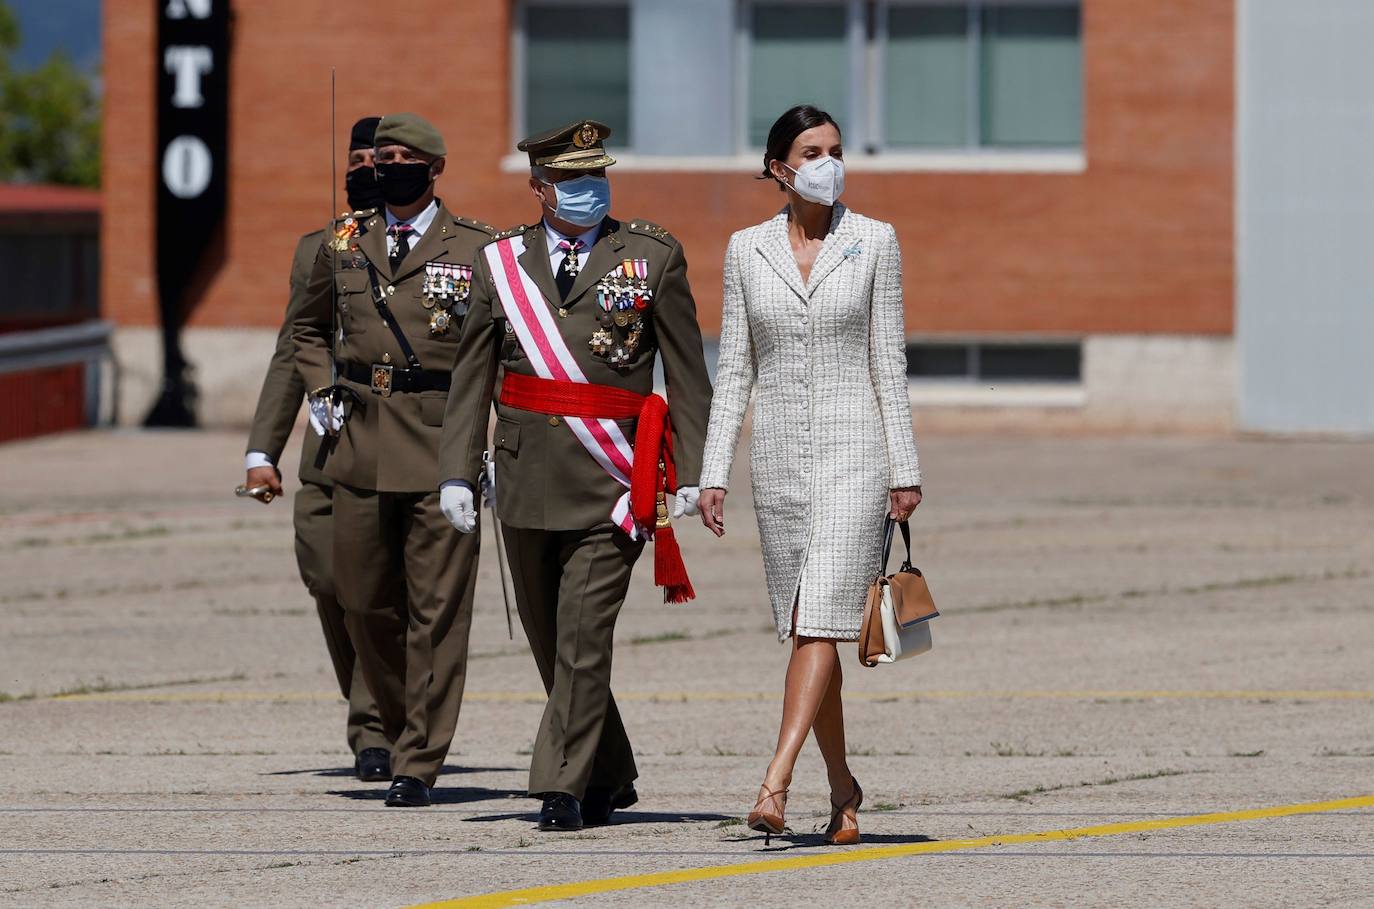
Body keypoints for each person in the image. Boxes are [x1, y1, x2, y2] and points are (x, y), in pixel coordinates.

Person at [438, 120, 713, 832]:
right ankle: (610, 770)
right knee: (551, 644)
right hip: (527, 480)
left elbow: (687, 375)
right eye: (569, 181)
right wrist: (456, 474)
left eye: (596, 177)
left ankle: (560, 786)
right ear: (538, 187)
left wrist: (694, 470)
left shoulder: (651, 256)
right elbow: (472, 379)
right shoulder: (499, 262)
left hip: (612, 483)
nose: (587, 191)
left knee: (582, 635)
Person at [697, 105, 923, 845]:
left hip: (857, 454)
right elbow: (733, 368)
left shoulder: (875, 240)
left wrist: (904, 467)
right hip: (781, 462)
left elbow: (888, 361)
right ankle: (844, 789)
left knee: (821, 611)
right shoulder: (745, 249)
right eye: (810, 151)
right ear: (778, 168)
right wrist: (712, 472)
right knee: (808, 626)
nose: (827, 161)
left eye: (834, 148)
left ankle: (775, 779)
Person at [292, 112, 496, 808]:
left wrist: (495, 444)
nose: (390, 167)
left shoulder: (478, 248)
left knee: (437, 612)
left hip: (442, 440)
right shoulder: (345, 240)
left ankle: (418, 757)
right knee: (361, 599)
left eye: (406, 157)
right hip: (359, 442)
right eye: (383, 156)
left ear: (435, 168)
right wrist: (320, 386)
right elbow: (307, 325)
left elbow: (505, 348)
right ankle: (405, 713)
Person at [242, 115, 391, 782]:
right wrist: (261, 451)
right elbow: (289, 353)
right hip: (330, 451)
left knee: (385, 591)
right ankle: (374, 712)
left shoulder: (434, 247)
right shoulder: (318, 249)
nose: (364, 169)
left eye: (377, 158)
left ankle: (376, 727)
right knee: (331, 580)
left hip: (403, 447)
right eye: (356, 158)